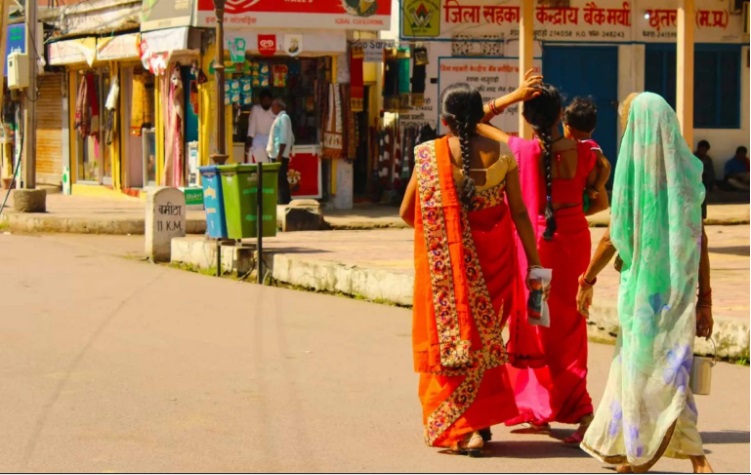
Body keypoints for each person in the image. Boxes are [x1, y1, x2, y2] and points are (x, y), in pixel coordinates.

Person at [399, 75, 545, 456]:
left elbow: (405, 212)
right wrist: (535, 262)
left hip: (450, 266)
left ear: (445, 120)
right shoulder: (503, 156)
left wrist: (442, 237)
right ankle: (481, 419)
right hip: (496, 260)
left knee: (455, 341)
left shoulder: (428, 155)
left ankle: (466, 429)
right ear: (479, 117)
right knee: (484, 343)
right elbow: (520, 216)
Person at [577, 92, 714, 474]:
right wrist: (705, 302)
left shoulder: (632, 178)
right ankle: (632, 454)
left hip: (643, 298)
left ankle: (694, 459)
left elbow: (612, 237)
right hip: (677, 297)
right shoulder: (689, 176)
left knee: (646, 372)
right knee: (667, 370)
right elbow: (700, 240)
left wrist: (586, 278)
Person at [475, 82, 609, 445]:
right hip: (574, 243)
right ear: (561, 116)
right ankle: (567, 408)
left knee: (538, 323)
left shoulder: (520, 150)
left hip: (537, 253)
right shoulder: (587, 152)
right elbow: (599, 199)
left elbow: (473, 121)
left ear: (529, 120)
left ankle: (556, 407)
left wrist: (512, 97)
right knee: (568, 325)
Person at [563, 97, 612, 212]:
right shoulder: (588, 144)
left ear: (568, 128)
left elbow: (606, 166)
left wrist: (595, 189)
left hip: (584, 197)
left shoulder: (589, 146)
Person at [267, 98, 294, 205]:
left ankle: (284, 203)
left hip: (279, 155)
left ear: (280, 106)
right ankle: (284, 201)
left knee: (280, 180)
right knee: (280, 180)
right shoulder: (279, 118)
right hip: (277, 154)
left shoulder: (283, 118)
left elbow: (283, 138)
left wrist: (279, 155)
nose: (272, 108)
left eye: (274, 105)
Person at [246, 88, 275, 164]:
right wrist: (249, 143)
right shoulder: (255, 110)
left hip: (272, 138)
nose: (266, 103)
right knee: (260, 159)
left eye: (268, 101)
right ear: (260, 101)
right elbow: (252, 128)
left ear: (271, 101)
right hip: (258, 139)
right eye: (264, 101)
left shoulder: (274, 110)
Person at [694, 140, 715, 220]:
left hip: (705, 183)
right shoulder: (694, 158)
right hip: (696, 183)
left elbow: (711, 172)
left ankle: (702, 216)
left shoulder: (708, 159)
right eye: (702, 149)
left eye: (705, 150)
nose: (703, 152)